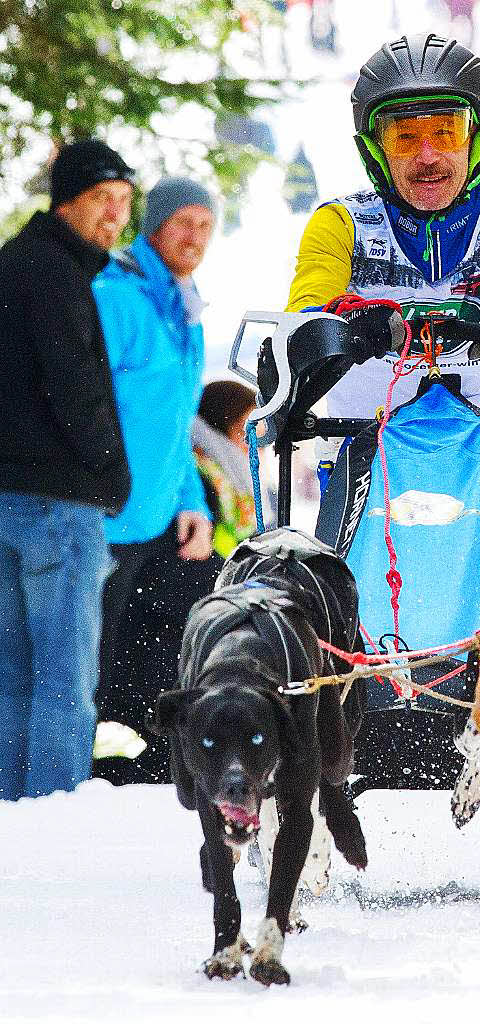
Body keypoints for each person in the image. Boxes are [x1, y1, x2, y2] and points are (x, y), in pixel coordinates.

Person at [285, 33, 480, 552]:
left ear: (476, 138)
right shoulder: (338, 224)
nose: (428, 155)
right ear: (374, 146)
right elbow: (300, 327)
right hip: (368, 454)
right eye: (405, 137)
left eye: (445, 130)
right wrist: (349, 328)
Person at [0, 139, 134, 800]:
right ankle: (51, 819)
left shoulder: (15, 263)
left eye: (122, 202)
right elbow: (73, 385)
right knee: (62, 678)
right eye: (101, 200)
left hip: (8, 499)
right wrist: (110, 467)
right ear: (67, 201)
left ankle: (12, 818)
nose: (113, 216)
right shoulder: (55, 272)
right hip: (58, 503)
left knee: (12, 676)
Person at [92, 176, 221, 785]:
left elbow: (177, 422)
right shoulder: (117, 294)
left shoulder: (185, 306)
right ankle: (57, 783)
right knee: (86, 654)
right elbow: (86, 404)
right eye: (183, 222)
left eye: (205, 224)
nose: (194, 237)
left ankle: (149, 765)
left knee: (165, 649)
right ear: (154, 225)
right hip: (103, 512)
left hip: (163, 517)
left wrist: (194, 500)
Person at [193, 379, 261, 557]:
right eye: (244, 433)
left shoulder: (234, 481)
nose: (254, 447)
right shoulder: (201, 478)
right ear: (217, 430)